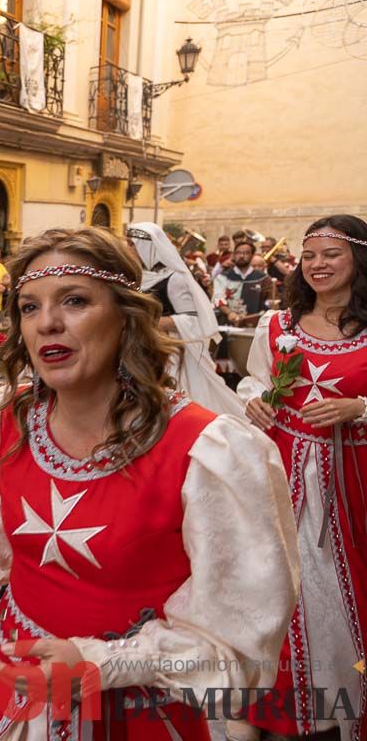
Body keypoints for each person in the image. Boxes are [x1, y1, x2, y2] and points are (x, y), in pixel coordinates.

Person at [0, 226, 299, 741]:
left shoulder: (209, 451)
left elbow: (237, 634)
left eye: (74, 301)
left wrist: (103, 663)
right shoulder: (3, 423)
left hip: (135, 711)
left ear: (126, 315)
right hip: (9, 679)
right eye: (29, 306)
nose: (47, 322)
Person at [237, 214, 367, 741]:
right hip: (282, 472)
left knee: (347, 587)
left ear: (358, 260)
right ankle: (287, 706)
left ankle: (348, 701)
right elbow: (251, 379)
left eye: (331, 255)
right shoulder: (278, 325)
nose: (317, 265)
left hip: (353, 481)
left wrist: (358, 406)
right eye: (309, 256)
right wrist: (254, 403)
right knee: (285, 587)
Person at [126, 223, 244, 415]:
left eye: (131, 244)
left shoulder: (174, 279)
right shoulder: (138, 277)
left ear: (146, 246)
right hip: (144, 351)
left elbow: (193, 321)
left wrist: (150, 323)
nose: (127, 248)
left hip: (174, 355)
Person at [213, 239, 269, 326]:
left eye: (246, 253)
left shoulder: (263, 278)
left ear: (252, 256)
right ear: (233, 255)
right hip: (227, 325)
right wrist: (230, 313)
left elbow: (269, 303)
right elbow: (218, 298)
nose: (242, 256)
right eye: (238, 253)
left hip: (254, 327)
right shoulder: (223, 277)